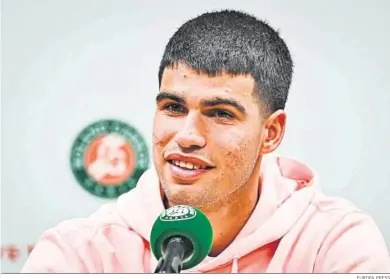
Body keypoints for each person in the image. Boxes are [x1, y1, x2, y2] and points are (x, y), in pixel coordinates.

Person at [22, 9, 390, 273]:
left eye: (220, 113)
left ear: (271, 132)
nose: (187, 136)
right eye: (173, 107)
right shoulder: (78, 255)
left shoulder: (335, 243)